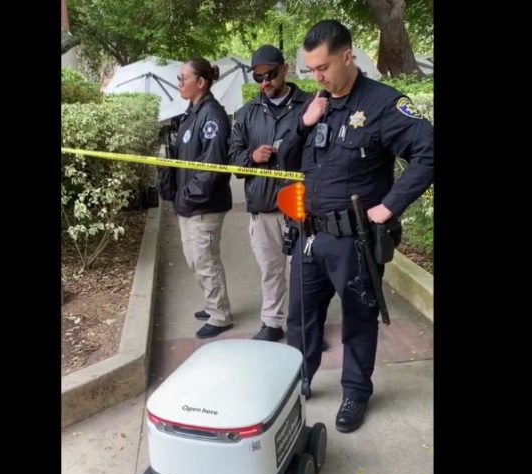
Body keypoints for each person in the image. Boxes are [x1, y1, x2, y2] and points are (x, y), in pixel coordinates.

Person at [284, 20, 434, 432]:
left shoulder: (384, 104)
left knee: (358, 318)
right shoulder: (317, 103)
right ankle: (300, 377)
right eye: (311, 69)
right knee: (299, 317)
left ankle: (355, 393)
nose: (317, 77)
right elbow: (285, 160)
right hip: (310, 235)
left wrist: (389, 207)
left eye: (324, 67)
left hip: (354, 241)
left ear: (347, 56)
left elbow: (428, 151)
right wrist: (303, 124)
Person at [228, 45, 313, 342]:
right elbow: (233, 160)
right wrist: (252, 157)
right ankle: (272, 323)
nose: (265, 82)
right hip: (263, 206)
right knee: (270, 269)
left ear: (285, 69)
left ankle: (305, 325)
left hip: (300, 204)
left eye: (271, 75)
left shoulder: (310, 105)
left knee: (305, 272)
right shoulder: (246, 114)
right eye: (258, 77)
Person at [172, 57, 235, 339]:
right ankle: (212, 305)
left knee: (205, 260)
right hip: (188, 204)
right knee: (195, 260)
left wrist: (186, 198)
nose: (179, 83)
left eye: (183, 77)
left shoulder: (213, 116)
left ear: (201, 82)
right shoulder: (192, 113)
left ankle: (220, 315)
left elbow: (212, 167)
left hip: (203, 205)